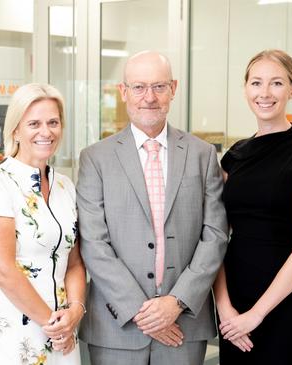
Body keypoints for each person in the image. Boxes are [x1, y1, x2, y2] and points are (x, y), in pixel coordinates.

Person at [77, 50, 228, 364]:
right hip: (115, 326)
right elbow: (93, 243)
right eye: (139, 87)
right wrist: (142, 312)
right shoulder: (95, 158)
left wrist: (176, 302)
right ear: (123, 92)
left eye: (159, 87)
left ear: (173, 89)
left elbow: (215, 235)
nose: (149, 97)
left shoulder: (202, 155)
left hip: (183, 323)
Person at [213, 49, 292, 364]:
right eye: (256, 83)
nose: (265, 93)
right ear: (246, 89)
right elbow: (215, 236)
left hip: (288, 307)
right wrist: (226, 309)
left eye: (277, 83)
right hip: (235, 307)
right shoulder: (234, 155)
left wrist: (256, 315)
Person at [0, 83, 86, 365]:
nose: (46, 131)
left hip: (63, 325)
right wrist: (54, 326)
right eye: (34, 123)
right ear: (16, 130)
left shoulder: (65, 186)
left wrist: (75, 312)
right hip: (14, 327)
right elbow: (2, 269)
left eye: (53, 122)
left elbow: (75, 263)